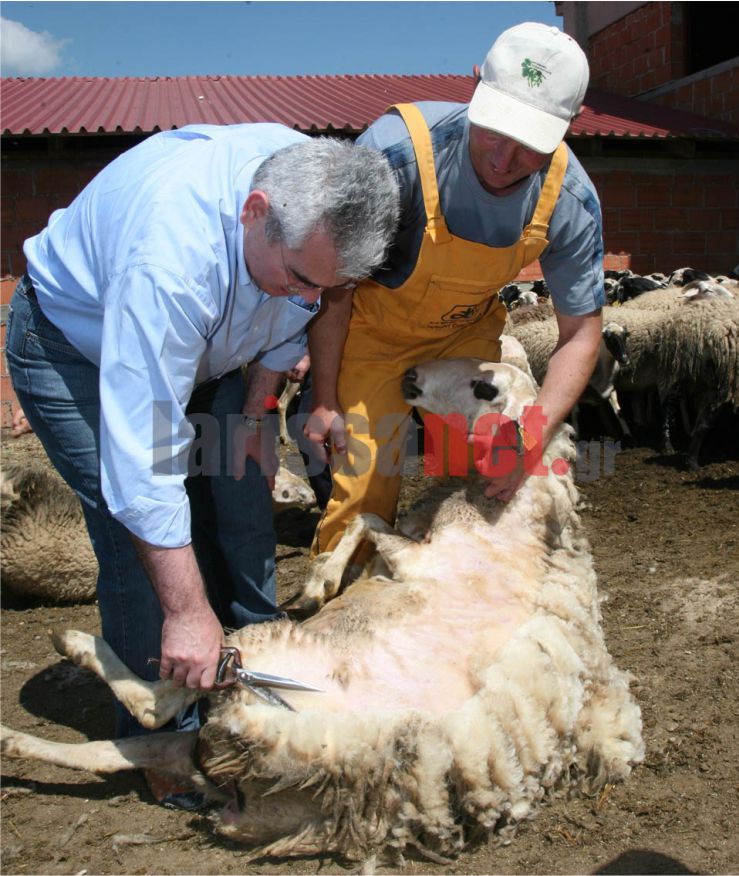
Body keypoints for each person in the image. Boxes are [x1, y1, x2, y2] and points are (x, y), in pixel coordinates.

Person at [5, 124, 399, 789]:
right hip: (72, 348)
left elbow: (297, 309)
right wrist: (188, 612)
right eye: (303, 278)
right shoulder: (171, 260)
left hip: (208, 351)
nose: (311, 299)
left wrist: (255, 412)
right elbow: (142, 470)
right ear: (255, 212)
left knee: (234, 491)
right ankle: (170, 752)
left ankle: (253, 673)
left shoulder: (313, 200)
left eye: (326, 288)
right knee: (134, 534)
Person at [305, 22, 605, 559]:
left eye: (530, 144)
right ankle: (340, 600)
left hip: (463, 336)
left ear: (571, 122)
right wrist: (325, 399)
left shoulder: (570, 200)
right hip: (373, 336)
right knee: (365, 488)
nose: (503, 159)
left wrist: (530, 437)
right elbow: (337, 286)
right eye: (494, 130)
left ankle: (468, 600)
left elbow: (581, 332)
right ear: (474, 84)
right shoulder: (394, 157)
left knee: (487, 472)